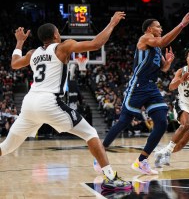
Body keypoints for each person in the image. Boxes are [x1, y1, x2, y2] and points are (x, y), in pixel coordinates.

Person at [1, 11, 132, 190]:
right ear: (56, 34)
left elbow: (14, 63)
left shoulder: (33, 53)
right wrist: (112, 23)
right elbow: (96, 44)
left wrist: (20, 41)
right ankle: (110, 177)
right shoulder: (62, 47)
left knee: (6, 147)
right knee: (91, 133)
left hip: (29, 103)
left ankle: (110, 176)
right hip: (49, 102)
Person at [102, 10, 189, 175]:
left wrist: (169, 63)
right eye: (158, 27)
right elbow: (163, 41)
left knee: (162, 123)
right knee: (124, 121)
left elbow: (163, 69)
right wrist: (182, 24)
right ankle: (99, 154)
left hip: (152, 87)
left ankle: (141, 161)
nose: (161, 29)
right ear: (149, 29)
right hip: (138, 85)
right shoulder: (144, 39)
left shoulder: (157, 49)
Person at [153, 47, 189, 167]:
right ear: (186, 58)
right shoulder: (180, 71)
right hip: (182, 103)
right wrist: (180, 80)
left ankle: (160, 153)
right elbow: (171, 87)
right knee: (187, 124)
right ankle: (167, 153)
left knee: (180, 145)